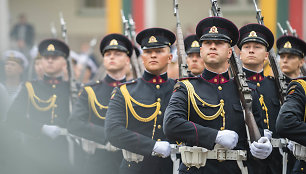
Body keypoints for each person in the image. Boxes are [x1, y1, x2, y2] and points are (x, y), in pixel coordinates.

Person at [163, 17, 272, 174]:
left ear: (229, 52)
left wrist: (261, 147)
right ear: (201, 51)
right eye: (207, 43)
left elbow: (256, 135)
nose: (212, 46)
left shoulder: (247, 91)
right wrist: (215, 136)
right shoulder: (186, 87)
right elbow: (171, 124)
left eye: (219, 43)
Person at [105, 28, 176, 174]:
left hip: (171, 168)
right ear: (142, 57)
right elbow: (113, 131)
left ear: (169, 57)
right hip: (135, 168)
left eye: (159, 51)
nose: (153, 56)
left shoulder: (180, 89)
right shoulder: (124, 91)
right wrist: (152, 146)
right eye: (148, 52)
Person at [68, 33, 132, 174]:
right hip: (99, 162)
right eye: (108, 54)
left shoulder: (136, 89)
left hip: (132, 162)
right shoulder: (91, 90)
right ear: (103, 60)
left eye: (117, 54)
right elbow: (74, 123)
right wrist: (106, 137)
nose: (112, 57)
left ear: (127, 60)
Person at [7, 39, 73, 174]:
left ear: (64, 62)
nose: (49, 61)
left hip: (65, 154)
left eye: (54, 58)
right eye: (46, 58)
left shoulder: (72, 89)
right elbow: (12, 118)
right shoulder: (30, 87)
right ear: (41, 62)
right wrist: (41, 128)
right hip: (35, 154)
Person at [237, 23, 282, 174]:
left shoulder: (276, 85)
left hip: (277, 163)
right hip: (246, 163)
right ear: (240, 53)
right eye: (246, 46)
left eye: (257, 47)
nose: (251, 50)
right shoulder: (233, 86)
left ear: (267, 55)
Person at [276, 38, 306, 174]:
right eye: (282, 56)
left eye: (291, 57)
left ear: (302, 61)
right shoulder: (300, 87)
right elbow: (285, 123)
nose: (285, 60)